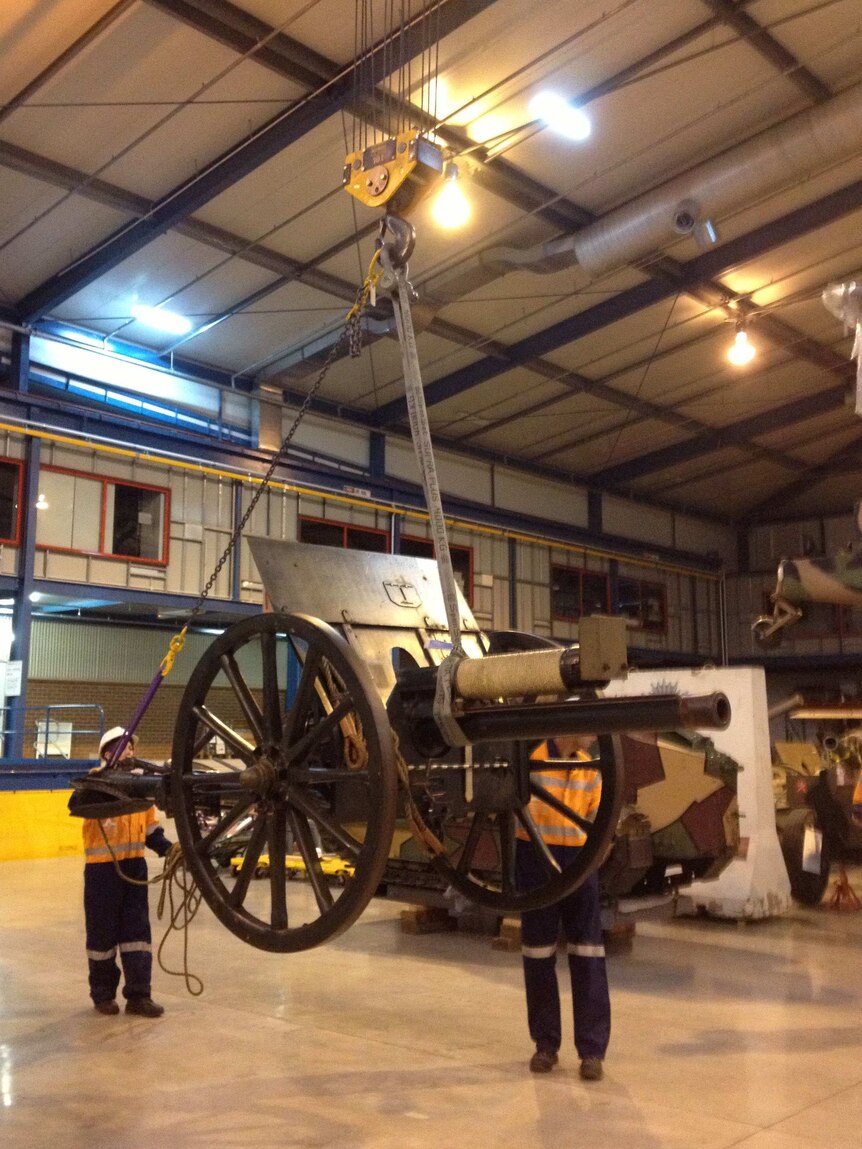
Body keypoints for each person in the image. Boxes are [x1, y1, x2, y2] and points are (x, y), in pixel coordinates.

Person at [515, 733, 610, 1080]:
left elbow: (600, 819)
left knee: (588, 955)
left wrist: (593, 863)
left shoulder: (591, 766)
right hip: (535, 859)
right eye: (586, 727)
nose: (592, 735)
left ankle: (592, 1051)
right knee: (538, 956)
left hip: (579, 863)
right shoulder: (530, 755)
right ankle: (545, 1045)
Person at [82, 726, 173, 1017]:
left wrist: (169, 849)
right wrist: (95, 782)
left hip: (134, 868)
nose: (130, 751)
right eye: (123, 747)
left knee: (137, 934)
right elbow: (80, 805)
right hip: (102, 872)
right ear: (108, 753)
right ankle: (103, 995)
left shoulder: (140, 787)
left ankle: (139, 995)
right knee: (101, 936)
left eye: (131, 747)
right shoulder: (94, 784)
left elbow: (150, 829)